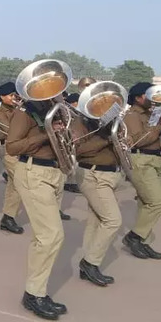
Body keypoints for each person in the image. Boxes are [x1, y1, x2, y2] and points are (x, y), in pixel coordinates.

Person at [6, 90, 70, 320]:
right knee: (52, 235)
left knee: (44, 237)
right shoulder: (26, 112)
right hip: (34, 172)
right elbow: (11, 147)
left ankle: (37, 290)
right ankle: (34, 294)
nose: (58, 94)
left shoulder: (54, 111)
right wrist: (46, 134)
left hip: (53, 172)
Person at [68, 101, 126, 287]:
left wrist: (123, 140)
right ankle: (90, 262)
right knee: (113, 220)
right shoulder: (80, 123)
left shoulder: (113, 122)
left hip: (109, 175)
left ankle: (89, 261)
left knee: (96, 220)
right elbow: (77, 149)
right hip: (92, 175)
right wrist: (106, 138)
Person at [119, 83, 161, 260]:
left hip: (154, 159)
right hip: (141, 159)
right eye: (149, 96)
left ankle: (143, 242)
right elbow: (138, 141)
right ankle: (134, 237)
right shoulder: (132, 115)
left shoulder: (150, 114)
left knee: (146, 203)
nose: (153, 99)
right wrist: (159, 127)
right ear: (139, 98)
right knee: (156, 202)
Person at [0, 83, 25, 235]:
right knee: (19, 181)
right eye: (11, 95)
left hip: (22, 148)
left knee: (13, 183)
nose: (14, 98)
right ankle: (9, 217)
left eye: (15, 95)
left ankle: (7, 217)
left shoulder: (20, 110)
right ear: (2, 97)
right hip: (8, 148)